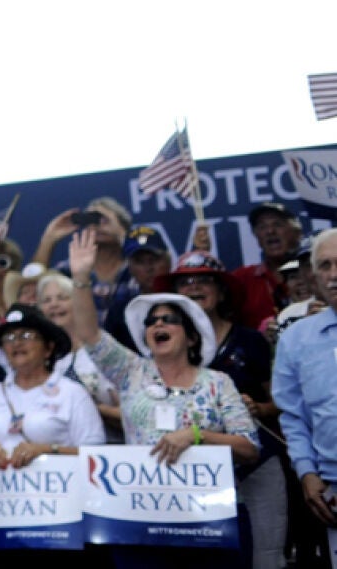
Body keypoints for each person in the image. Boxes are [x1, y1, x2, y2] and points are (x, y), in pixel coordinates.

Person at [66, 228, 259, 569]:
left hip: (212, 520)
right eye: (152, 321)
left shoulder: (217, 382)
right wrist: (81, 277)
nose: (158, 324)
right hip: (145, 521)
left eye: (169, 319)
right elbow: (89, 335)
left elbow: (248, 447)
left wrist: (197, 436)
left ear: (191, 336)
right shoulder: (131, 372)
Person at [161, 249, 286, 569]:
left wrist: (258, 407)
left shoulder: (250, 340)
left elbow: (283, 404)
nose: (193, 287)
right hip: (192, 472)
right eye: (184, 282)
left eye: (204, 280)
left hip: (255, 465)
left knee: (265, 557)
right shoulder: (160, 345)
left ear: (222, 291)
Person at [0, 304, 106, 569]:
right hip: (6, 519)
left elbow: (97, 456)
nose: (15, 344)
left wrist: (47, 450)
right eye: (9, 338)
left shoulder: (71, 393)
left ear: (48, 348)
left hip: (59, 520)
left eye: (25, 336)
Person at [274, 229, 337, 569]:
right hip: (332, 489)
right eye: (324, 265)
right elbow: (293, 415)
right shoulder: (296, 338)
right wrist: (306, 473)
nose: (334, 274)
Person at [34, 271, 121, 438]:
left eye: (62, 298)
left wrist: (90, 407)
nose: (54, 304)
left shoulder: (101, 348)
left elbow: (130, 413)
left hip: (107, 450)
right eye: (47, 300)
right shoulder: (39, 356)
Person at [33, 198, 138, 329]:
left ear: (122, 226)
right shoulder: (69, 269)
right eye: (91, 220)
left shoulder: (135, 268)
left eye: (104, 220)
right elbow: (33, 285)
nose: (97, 225)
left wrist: (123, 235)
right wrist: (49, 238)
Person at [233, 201, 301, 328]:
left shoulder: (314, 273)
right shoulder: (242, 279)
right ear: (256, 236)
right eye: (262, 227)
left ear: (297, 232)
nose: (270, 231)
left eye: (278, 224)